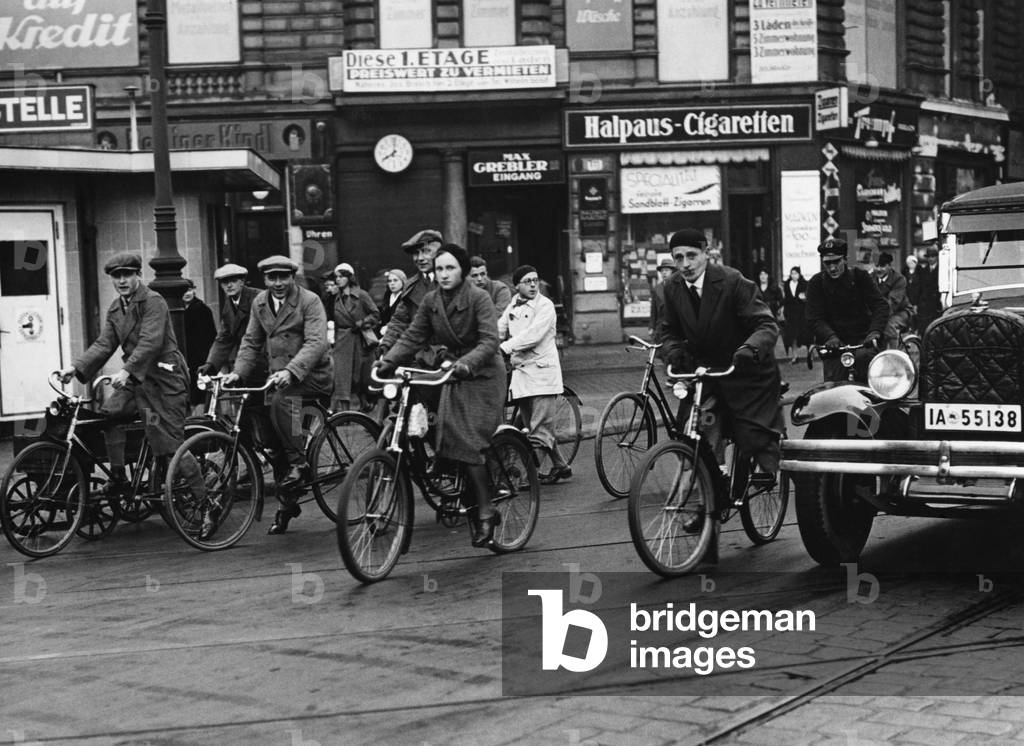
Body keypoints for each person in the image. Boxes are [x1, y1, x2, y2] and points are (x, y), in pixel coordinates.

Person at [377, 244, 506, 548]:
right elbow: (413, 334)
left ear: (462, 270)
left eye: (450, 268)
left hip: (483, 373)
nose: (444, 274)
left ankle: (486, 510)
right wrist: (388, 361)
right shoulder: (431, 300)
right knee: (428, 412)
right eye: (439, 269)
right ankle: (445, 468)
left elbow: (490, 341)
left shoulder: (479, 297)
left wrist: (466, 364)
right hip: (450, 369)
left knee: (467, 436)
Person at [57, 253, 205, 513]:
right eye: (117, 276)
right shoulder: (116, 308)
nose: (122, 280)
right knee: (110, 415)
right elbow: (104, 344)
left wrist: (126, 371)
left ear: (138, 275)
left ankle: (206, 502)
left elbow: (151, 341)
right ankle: (118, 478)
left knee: (171, 445)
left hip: (164, 381)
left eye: (127, 274)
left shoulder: (153, 301)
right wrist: (75, 368)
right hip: (136, 380)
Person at [659, 229, 785, 499]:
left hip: (745, 371)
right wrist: (674, 351)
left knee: (753, 430)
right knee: (702, 429)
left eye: (692, 255)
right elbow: (667, 330)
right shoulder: (672, 288)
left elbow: (765, 323)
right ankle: (711, 496)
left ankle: (765, 465)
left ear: (707, 254)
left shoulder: (731, 281)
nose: (685, 264)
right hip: (707, 374)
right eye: (678, 257)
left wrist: (749, 349)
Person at [224, 255, 334, 534]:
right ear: (264, 280)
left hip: (311, 376)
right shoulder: (260, 303)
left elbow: (316, 342)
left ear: (292, 277)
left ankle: (300, 466)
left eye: (283, 277)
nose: (278, 283)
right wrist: (238, 372)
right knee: (267, 433)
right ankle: (289, 496)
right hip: (280, 379)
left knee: (283, 404)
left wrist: (291, 371)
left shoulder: (309, 301)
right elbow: (251, 341)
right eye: (272, 278)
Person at [498, 265, 571, 485]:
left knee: (539, 433)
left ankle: (519, 477)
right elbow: (499, 328)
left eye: (535, 280)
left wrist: (505, 348)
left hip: (542, 376)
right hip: (522, 376)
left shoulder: (546, 305)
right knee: (537, 427)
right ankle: (561, 466)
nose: (532, 284)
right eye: (527, 281)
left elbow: (534, 335)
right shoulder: (513, 304)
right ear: (516, 285)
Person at [805, 238, 889, 382]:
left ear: (845, 259)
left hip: (862, 339)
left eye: (836, 262)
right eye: (827, 263)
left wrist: (874, 332)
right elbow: (814, 317)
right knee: (833, 388)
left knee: (868, 380)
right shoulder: (816, 283)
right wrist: (830, 336)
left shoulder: (860, 277)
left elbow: (880, 305)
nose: (832, 268)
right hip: (833, 344)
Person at [378, 229, 443, 358]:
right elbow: (400, 321)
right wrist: (385, 345)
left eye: (426, 251)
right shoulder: (410, 286)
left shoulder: (449, 282)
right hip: (419, 357)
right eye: (415, 253)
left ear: (439, 253)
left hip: (449, 356)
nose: (420, 258)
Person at [331, 262, 379, 412]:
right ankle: (345, 412)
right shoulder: (337, 298)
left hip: (359, 340)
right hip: (342, 341)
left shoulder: (362, 295)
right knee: (342, 377)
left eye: (341, 277)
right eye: (336, 277)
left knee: (360, 376)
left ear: (349, 278)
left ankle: (365, 402)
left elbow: (376, 314)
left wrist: (362, 323)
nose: (337, 280)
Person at [181, 278, 217, 408]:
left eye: (189, 290)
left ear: (194, 290)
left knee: (200, 395)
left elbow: (210, 336)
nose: (187, 293)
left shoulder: (202, 309)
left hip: (200, 359)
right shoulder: (178, 309)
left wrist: (207, 360)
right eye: (183, 290)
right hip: (185, 358)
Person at [873, 252, 912, 348]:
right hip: (879, 313)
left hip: (900, 312)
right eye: (876, 266)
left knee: (888, 325)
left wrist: (878, 318)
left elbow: (893, 303)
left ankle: (895, 355)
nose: (878, 269)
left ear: (889, 266)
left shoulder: (899, 279)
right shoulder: (871, 278)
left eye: (882, 266)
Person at [781, 266, 809, 364]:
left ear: (799, 274)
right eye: (792, 273)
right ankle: (795, 356)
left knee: (805, 334)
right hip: (791, 313)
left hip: (801, 313)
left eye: (796, 273)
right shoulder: (787, 284)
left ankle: (810, 355)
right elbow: (786, 298)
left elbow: (807, 297)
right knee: (792, 336)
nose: (794, 275)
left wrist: (804, 298)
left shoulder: (804, 284)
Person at [914, 245, 942, 334]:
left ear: (937, 257)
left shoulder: (941, 270)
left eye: (933, 256)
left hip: (936, 304)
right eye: (929, 257)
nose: (930, 259)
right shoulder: (923, 270)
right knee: (924, 328)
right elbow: (919, 287)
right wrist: (916, 303)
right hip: (924, 304)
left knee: (935, 328)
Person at [649, 258, 675, 342]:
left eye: (667, 270)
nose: (664, 273)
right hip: (660, 327)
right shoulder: (657, 288)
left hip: (674, 327)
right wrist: (651, 327)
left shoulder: (678, 287)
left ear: (672, 272)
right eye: (662, 270)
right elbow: (654, 310)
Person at [378, 268, 407, 335]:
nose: (392, 283)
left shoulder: (405, 297)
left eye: (395, 280)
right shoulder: (387, 296)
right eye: (389, 281)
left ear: (402, 281)